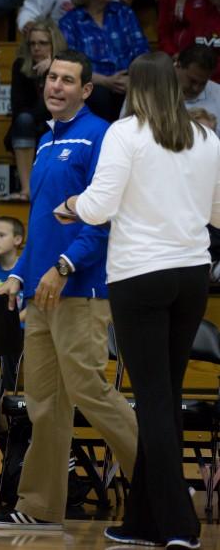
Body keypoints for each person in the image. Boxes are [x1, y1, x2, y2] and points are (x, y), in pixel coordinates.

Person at [59, 51, 219, 549]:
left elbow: (100, 205)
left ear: (138, 91)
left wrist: (72, 206)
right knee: (164, 394)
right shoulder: (206, 137)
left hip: (139, 276)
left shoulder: (125, 135)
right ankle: (143, 521)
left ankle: (179, 525)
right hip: (192, 274)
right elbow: (217, 210)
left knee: (152, 400)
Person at [0, 50, 137, 533]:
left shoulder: (99, 136)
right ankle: (40, 505)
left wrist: (65, 266)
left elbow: (103, 217)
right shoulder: (49, 142)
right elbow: (39, 226)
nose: (56, 86)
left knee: (89, 390)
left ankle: (159, 489)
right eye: (52, 77)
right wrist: (19, 277)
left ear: (86, 90)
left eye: (68, 80)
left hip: (82, 288)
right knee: (44, 403)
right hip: (42, 293)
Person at [59, 0, 150, 122]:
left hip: (129, 81)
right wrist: (105, 81)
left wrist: (133, 79)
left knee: (145, 91)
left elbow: (142, 50)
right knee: (99, 94)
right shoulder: (70, 22)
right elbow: (71, 65)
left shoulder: (124, 13)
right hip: (93, 85)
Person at [6, 19, 67, 200]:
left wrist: (52, 72)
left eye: (42, 43)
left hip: (59, 123)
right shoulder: (20, 66)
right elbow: (19, 108)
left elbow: (64, 107)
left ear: (53, 44)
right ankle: (27, 189)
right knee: (24, 120)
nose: (36, 48)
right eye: (32, 43)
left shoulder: (67, 68)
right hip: (31, 125)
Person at [177, 44, 220, 127]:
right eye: (192, 81)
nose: (196, 89)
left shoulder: (218, 95)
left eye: (203, 83)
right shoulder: (155, 91)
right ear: (179, 65)